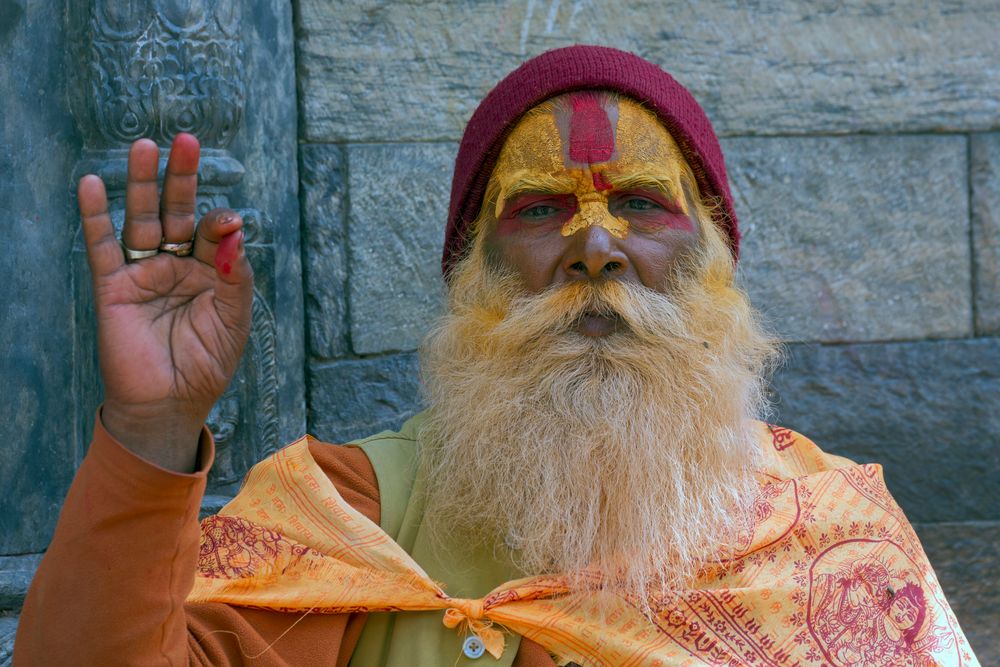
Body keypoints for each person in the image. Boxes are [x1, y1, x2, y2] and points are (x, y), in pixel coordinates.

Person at [13, 46, 977, 666]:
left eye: (640, 203)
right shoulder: (353, 517)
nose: (594, 246)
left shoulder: (837, 534)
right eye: (539, 210)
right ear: (470, 277)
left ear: (715, 262)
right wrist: (151, 430)